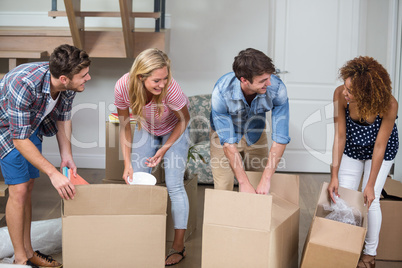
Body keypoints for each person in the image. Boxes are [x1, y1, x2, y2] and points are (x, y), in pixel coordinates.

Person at [0, 44, 91, 267]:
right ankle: (20, 259)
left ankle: (29, 251)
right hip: (6, 129)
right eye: (84, 75)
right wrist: (52, 172)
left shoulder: (68, 86)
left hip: (31, 125)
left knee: (29, 185)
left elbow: (63, 118)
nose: (88, 78)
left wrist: (66, 156)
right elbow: (18, 138)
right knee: (19, 189)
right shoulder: (22, 83)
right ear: (64, 78)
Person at [114, 48, 190, 266]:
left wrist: (164, 148)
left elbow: (184, 120)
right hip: (148, 129)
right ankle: (142, 239)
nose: (163, 84)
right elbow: (125, 126)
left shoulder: (171, 89)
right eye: (157, 80)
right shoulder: (123, 87)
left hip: (175, 129)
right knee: (137, 181)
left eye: (166, 78)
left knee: (175, 185)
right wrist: (127, 163)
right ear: (141, 77)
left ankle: (178, 247)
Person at [328, 56, 399, 268]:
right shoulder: (340, 95)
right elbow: (340, 136)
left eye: (351, 91)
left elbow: (379, 146)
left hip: (380, 150)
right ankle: (345, 248)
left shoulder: (389, 104)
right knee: (345, 195)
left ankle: (369, 255)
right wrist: (333, 176)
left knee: (371, 200)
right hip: (353, 146)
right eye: (346, 86)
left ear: (367, 93)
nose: (345, 92)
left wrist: (369, 185)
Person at [210, 48, 290, 194]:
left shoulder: (277, 89)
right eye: (263, 81)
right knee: (223, 189)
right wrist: (242, 182)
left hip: (256, 134)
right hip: (224, 137)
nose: (269, 83)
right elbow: (228, 142)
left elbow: (281, 138)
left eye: (269, 77)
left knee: (259, 189)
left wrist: (266, 180)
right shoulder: (221, 91)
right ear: (244, 80)